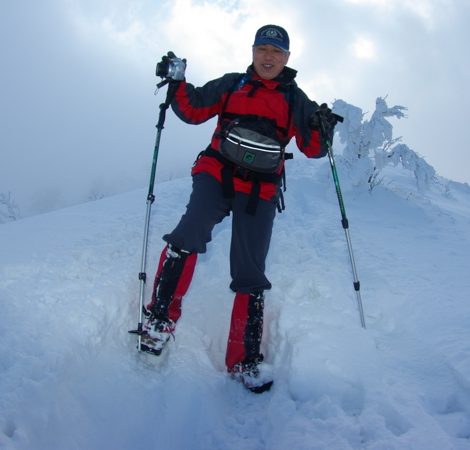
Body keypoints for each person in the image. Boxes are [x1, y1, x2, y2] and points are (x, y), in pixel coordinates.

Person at [140, 25, 336, 393]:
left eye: (276, 52)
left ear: (287, 58)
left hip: (260, 189)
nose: (268, 57)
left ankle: (244, 359)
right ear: (252, 52)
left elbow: (313, 148)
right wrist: (176, 82)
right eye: (262, 48)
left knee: (250, 270)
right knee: (189, 232)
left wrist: (323, 128)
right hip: (217, 172)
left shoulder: (296, 99)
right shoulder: (233, 84)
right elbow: (193, 108)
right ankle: (159, 321)